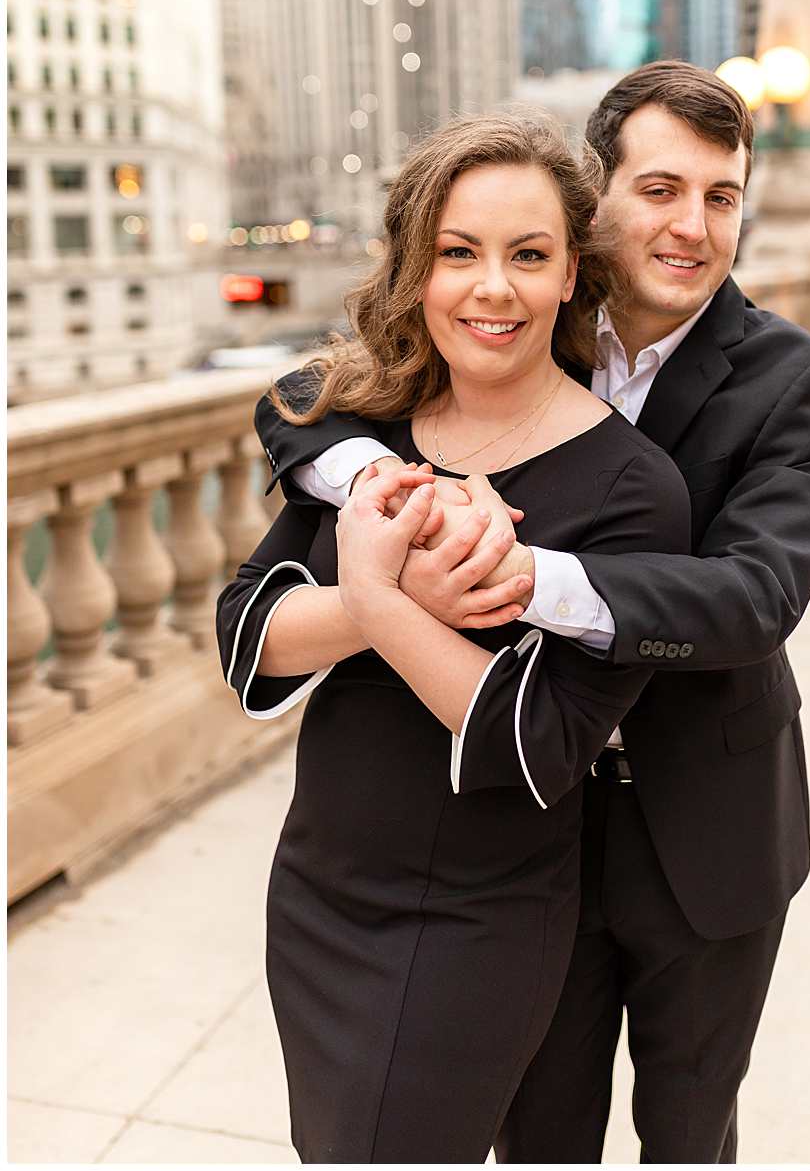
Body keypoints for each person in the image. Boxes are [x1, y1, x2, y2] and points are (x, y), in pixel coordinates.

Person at [254, 61, 810, 1163]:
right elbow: (306, 402)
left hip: (700, 823)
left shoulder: (792, 377)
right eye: (660, 189)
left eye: (721, 196)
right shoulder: (523, 309)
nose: (692, 225)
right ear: (597, 198)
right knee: (539, 1134)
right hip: (526, 841)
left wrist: (516, 569)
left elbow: (757, 596)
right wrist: (383, 485)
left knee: (689, 1132)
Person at [216, 110, 692, 1161]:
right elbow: (248, 630)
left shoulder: (633, 487)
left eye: (528, 255)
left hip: (475, 916)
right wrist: (374, 594)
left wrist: (384, 598)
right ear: (417, 270)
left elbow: (539, 744)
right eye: (458, 252)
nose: (493, 288)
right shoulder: (371, 436)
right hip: (320, 885)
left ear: (572, 275)